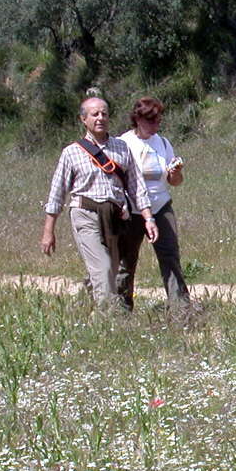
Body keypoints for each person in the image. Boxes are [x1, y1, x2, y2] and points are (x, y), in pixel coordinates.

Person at [41, 96, 158, 311]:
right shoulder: (71, 152)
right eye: (95, 114)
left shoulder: (122, 148)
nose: (100, 118)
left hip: (115, 217)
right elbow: (57, 193)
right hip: (85, 214)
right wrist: (49, 231)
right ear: (83, 119)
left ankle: (84, 311)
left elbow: (136, 187)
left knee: (110, 271)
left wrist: (148, 218)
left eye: (104, 113)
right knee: (103, 268)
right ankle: (107, 322)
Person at [117, 96, 191, 309]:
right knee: (126, 260)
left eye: (158, 121)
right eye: (151, 121)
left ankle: (180, 308)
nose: (156, 126)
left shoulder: (163, 143)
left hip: (160, 207)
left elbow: (174, 182)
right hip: (132, 210)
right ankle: (122, 309)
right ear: (138, 119)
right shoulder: (124, 143)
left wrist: (176, 172)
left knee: (170, 257)